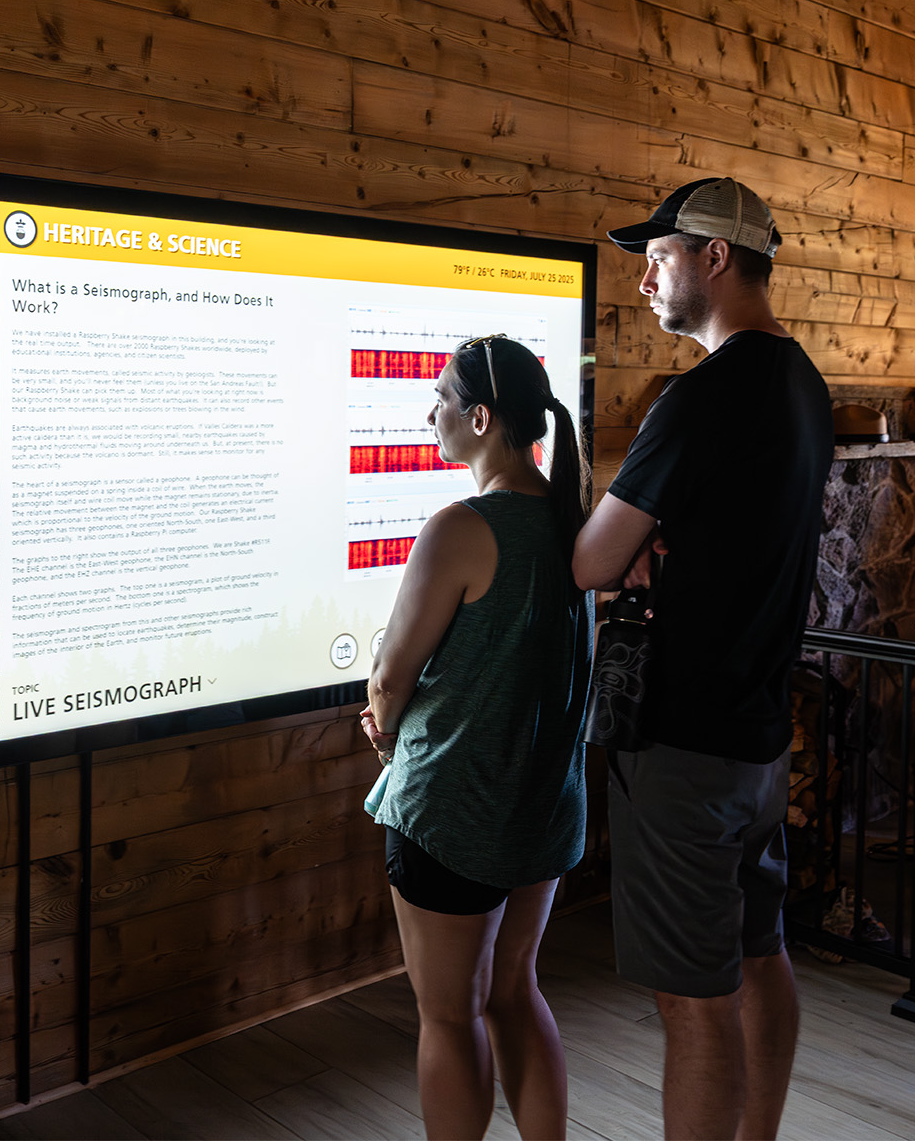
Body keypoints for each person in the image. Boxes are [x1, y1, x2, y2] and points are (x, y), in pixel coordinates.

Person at [571, 176, 832, 1140]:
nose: (644, 280)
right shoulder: (803, 383)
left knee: (692, 1000)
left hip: (682, 743)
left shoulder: (698, 398)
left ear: (713, 258)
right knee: (760, 957)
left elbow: (592, 560)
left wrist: (633, 541)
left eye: (660, 256)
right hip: (762, 738)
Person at [361, 334, 592, 1141]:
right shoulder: (575, 522)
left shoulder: (461, 527)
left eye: (442, 401)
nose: (431, 414)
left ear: (482, 418)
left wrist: (386, 734)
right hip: (545, 805)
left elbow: (391, 677)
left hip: (455, 810)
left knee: (448, 1016)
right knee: (516, 989)